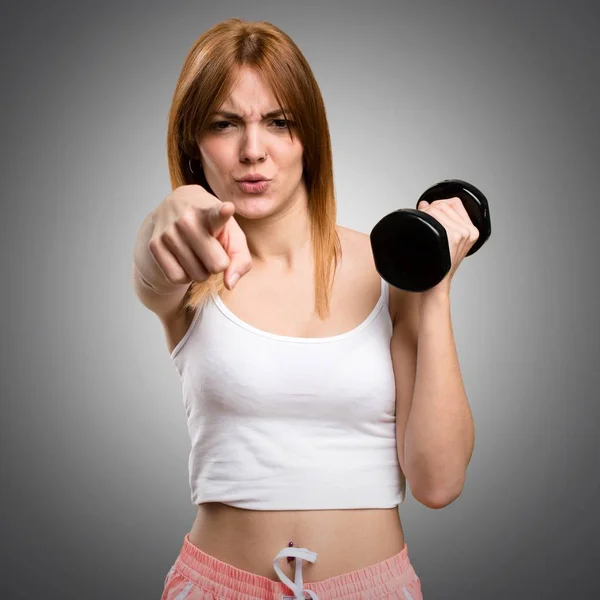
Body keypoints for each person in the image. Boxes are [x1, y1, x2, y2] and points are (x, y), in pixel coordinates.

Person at [132, 18, 477, 600]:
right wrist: (173, 209)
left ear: (308, 138)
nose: (252, 151)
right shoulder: (189, 271)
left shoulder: (387, 269)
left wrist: (434, 286)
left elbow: (438, 482)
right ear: (194, 143)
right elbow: (152, 259)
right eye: (224, 124)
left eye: (278, 122)